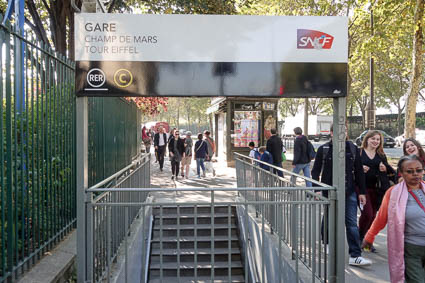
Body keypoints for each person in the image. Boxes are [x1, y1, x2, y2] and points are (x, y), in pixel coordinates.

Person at [311, 125, 371, 266]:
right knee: (329, 218)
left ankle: (355, 255)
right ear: (332, 133)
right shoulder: (324, 149)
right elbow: (315, 172)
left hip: (348, 191)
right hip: (328, 191)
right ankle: (326, 241)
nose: (342, 133)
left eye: (344, 130)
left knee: (351, 223)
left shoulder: (352, 148)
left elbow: (359, 172)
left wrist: (362, 192)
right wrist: (317, 189)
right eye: (339, 130)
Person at [362, 155, 425, 283]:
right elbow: (381, 218)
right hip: (410, 249)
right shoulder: (393, 193)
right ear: (401, 173)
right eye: (409, 171)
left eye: (419, 170)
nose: (415, 174)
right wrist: (369, 237)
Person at [358, 130, 396, 249]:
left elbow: (392, 172)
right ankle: (360, 237)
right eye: (373, 139)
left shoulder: (381, 155)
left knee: (374, 216)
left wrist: (384, 168)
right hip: (362, 189)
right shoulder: (359, 152)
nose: (375, 141)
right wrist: (359, 169)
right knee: (367, 214)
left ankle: (368, 240)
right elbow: (350, 169)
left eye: (378, 139)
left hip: (377, 189)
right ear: (367, 139)